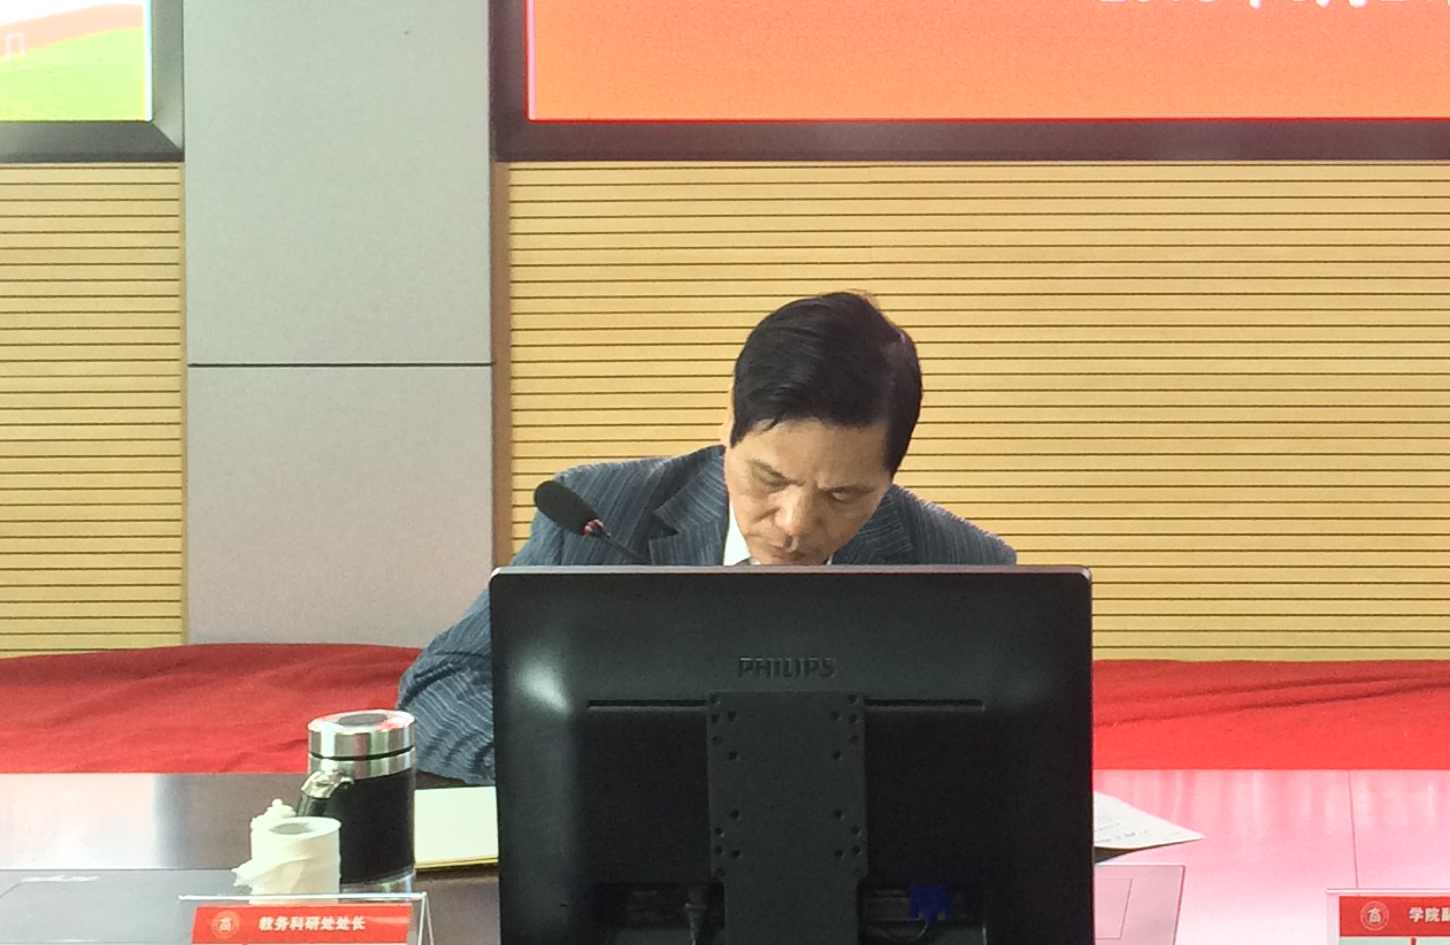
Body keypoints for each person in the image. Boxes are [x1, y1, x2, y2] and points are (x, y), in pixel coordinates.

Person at [399, 290, 1013, 782]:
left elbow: (1005, 749)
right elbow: (438, 688)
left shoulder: (963, 565)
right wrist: (579, 764)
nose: (795, 523)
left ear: (891, 475)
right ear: (728, 422)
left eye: (843, 495)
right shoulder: (600, 515)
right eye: (769, 478)